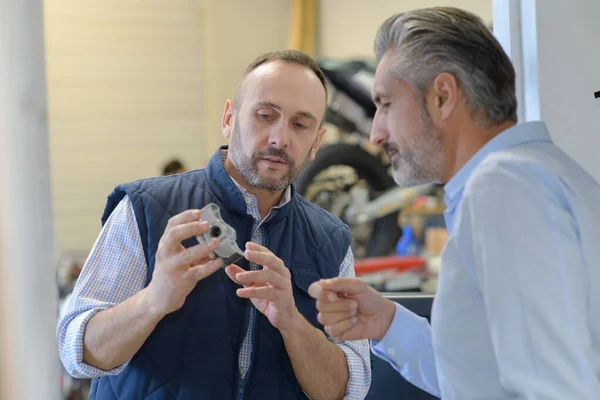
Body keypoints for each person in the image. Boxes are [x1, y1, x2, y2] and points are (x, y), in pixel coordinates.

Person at [308, 7, 600, 400]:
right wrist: (387, 322)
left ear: (443, 96)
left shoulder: (503, 188)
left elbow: (555, 389)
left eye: (386, 104)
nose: (376, 133)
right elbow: (480, 378)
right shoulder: (536, 176)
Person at [57, 50, 371, 400]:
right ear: (229, 118)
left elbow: (348, 390)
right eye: (265, 115)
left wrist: (293, 322)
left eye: (300, 125)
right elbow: (77, 353)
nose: (279, 138)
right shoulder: (144, 208)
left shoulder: (333, 241)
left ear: (316, 142)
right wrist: (153, 300)